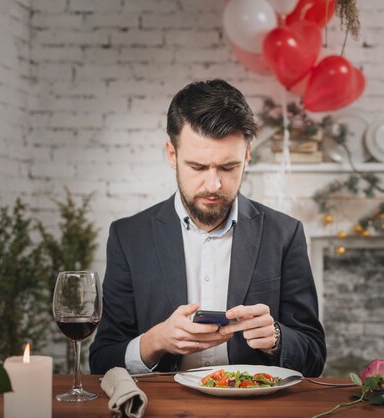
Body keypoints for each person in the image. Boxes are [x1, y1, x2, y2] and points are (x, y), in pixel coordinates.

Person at [89, 79, 326, 377]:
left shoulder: (285, 234)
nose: (213, 185)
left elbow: (315, 356)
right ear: (172, 154)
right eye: (198, 167)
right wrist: (156, 340)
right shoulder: (128, 237)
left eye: (228, 167)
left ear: (247, 155)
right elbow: (100, 361)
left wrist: (277, 338)